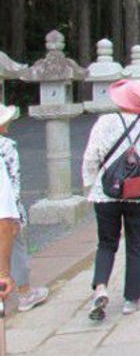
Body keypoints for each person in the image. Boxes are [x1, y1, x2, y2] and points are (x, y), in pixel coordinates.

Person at [82, 79, 140, 320]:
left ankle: (100, 287)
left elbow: (91, 155)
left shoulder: (105, 122)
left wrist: (90, 182)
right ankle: (130, 299)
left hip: (107, 191)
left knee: (106, 242)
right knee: (136, 243)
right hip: (137, 192)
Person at [0, 105, 49, 311]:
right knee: (18, 249)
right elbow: (13, 182)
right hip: (8, 207)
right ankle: (24, 292)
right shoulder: (7, 146)